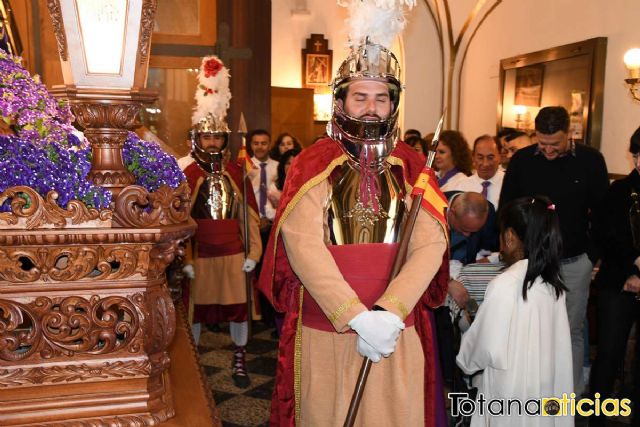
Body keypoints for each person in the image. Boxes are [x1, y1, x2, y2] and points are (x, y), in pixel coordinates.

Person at [257, 2, 449, 424]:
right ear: (341, 99)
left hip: (394, 325)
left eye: (381, 98)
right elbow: (303, 245)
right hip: (329, 323)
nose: (371, 108)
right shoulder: (312, 163)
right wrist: (355, 316)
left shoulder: (413, 166)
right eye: (360, 96)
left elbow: (430, 244)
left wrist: (387, 312)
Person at [499, 106, 609, 395]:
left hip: (574, 261)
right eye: (542, 143)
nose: (547, 150)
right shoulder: (522, 160)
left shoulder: (590, 160)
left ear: (570, 134)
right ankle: (527, 394)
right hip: (529, 262)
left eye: (555, 144)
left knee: (570, 330)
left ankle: (567, 400)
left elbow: (602, 213)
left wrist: (592, 255)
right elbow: (506, 208)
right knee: (527, 327)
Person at [179, 55, 262, 388]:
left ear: (224, 140)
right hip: (200, 256)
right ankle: (196, 365)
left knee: (237, 309)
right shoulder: (189, 174)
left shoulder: (236, 173)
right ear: (196, 140)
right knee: (196, 312)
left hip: (232, 255)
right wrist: (185, 258)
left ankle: (239, 360)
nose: (212, 142)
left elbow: (249, 218)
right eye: (206, 137)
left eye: (216, 137)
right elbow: (180, 220)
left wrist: (253, 253)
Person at [457, 196, 574, 426]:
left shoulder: (505, 284)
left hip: (511, 392)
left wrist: (465, 359)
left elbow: (485, 344)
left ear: (509, 237)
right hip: (546, 387)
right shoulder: (553, 283)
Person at [589, 126, 640, 427]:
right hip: (618, 283)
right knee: (609, 353)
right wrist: (634, 266)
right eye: (637, 155)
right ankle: (597, 417)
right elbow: (607, 236)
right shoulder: (618, 191)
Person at [454, 134, 504, 209]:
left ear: (500, 157)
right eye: (480, 158)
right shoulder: (462, 186)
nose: (485, 163)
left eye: (490, 158)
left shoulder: (508, 184)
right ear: (473, 158)